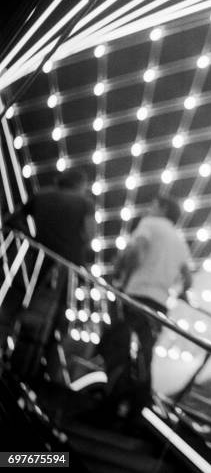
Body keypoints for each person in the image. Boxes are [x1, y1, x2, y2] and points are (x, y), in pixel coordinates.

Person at [100, 194, 193, 419]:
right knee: (144, 351)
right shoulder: (179, 240)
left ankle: (113, 401)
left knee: (122, 347)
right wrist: (180, 293)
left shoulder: (150, 224)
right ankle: (138, 406)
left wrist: (121, 273)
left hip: (137, 294)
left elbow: (136, 250)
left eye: (153, 204)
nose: (149, 207)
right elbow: (188, 278)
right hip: (160, 303)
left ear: (162, 208)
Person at [1, 169, 95, 381]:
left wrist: (30, 237)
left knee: (13, 308)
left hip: (35, 258)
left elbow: (12, 219)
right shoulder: (84, 203)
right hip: (65, 267)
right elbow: (90, 235)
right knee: (50, 320)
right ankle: (30, 372)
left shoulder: (41, 195)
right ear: (80, 184)